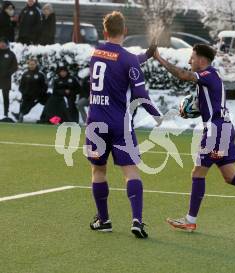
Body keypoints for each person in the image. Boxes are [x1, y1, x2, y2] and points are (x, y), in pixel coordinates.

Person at [153, 44, 235, 232]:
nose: (189, 61)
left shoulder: (208, 75)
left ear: (202, 60)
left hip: (216, 130)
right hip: (225, 128)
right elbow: (204, 104)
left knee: (198, 173)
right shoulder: (209, 79)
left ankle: (190, 220)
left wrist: (158, 57)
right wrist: (191, 109)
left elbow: (183, 75)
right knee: (230, 176)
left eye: (192, 57)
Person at [86, 11, 162, 239]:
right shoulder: (128, 59)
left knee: (99, 170)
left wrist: (146, 56)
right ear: (125, 31)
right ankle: (137, 220)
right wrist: (157, 115)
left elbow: (121, 60)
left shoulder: (95, 54)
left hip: (95, 122)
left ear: (104, 31)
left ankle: (104, 220)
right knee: (130, 171)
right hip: (120, 124)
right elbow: (140, 92)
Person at [15, 58, 47, 122]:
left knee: (29, 105)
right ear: (28, 65)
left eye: (33, 64)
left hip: (37, 96)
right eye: (30, 64)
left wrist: (40, 93)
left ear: (36, 65)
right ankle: (20, 115)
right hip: (27, 95)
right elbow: (21, 86)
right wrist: (23, 92)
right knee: (24, 104)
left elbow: (45, 87)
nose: (32, 65)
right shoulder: (25, 74)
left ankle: (21, 114)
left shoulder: (40, 75)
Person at [0, 36, 17, 118]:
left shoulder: (11, 54)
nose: (2, 44)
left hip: (6, 79)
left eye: (3, 43)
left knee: (5, 96)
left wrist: (8, 73)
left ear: (7, 44)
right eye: (0, 43)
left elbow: (15, 67)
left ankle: (6, 113)